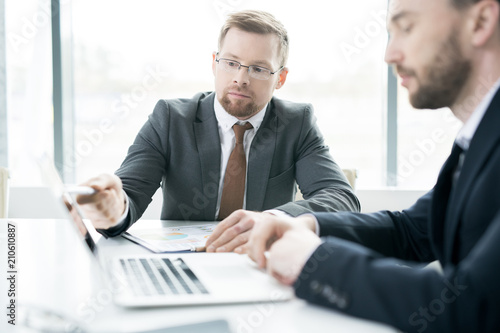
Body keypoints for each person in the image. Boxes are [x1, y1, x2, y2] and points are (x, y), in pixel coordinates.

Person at [242, 0, 500, 332]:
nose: (389, 55)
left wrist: (313, 262)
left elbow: (472, 307)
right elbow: (411, 231)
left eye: (406, 28)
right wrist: (309, 226)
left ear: (480, 22)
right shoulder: (478, 138)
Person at [77, 10, 360, 238]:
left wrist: (272, 219)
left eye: (258, 69)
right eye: (231, 63)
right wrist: (114, 209)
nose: (241, 78)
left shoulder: (296, 124)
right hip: (183, 263)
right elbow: (129, 194)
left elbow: (341, 198)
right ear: (214, 64)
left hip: (262, 263)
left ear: (281, 78)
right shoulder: (170, 118)